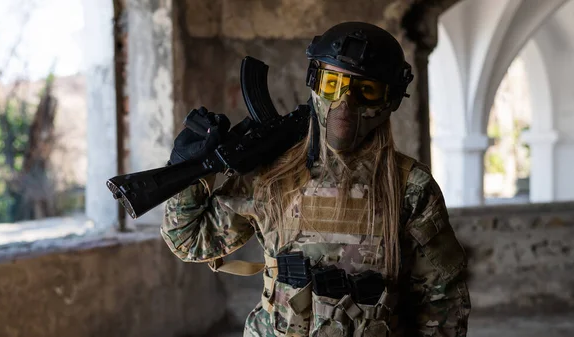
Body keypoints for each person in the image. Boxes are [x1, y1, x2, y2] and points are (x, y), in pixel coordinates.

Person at [162, 21, 471, 337]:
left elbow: (443, 300)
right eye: (332, 84)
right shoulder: (269, 174)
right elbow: (190, 242)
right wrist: (186, 170)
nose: (344, 104)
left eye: (366, 91)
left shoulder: (409, 186)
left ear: (389, 101)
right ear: (313, 82)